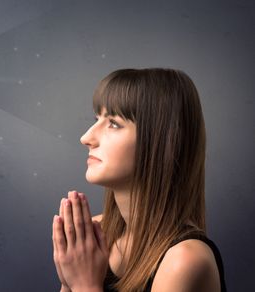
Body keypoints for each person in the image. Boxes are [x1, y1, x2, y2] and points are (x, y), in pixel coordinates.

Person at [52, 68, 227, 292]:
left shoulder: (183, 261)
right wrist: (69, 281)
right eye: (97, 119)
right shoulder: (97, 234)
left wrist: (84, 285)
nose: (86, 138)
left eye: (114, 123)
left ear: (161, 141)